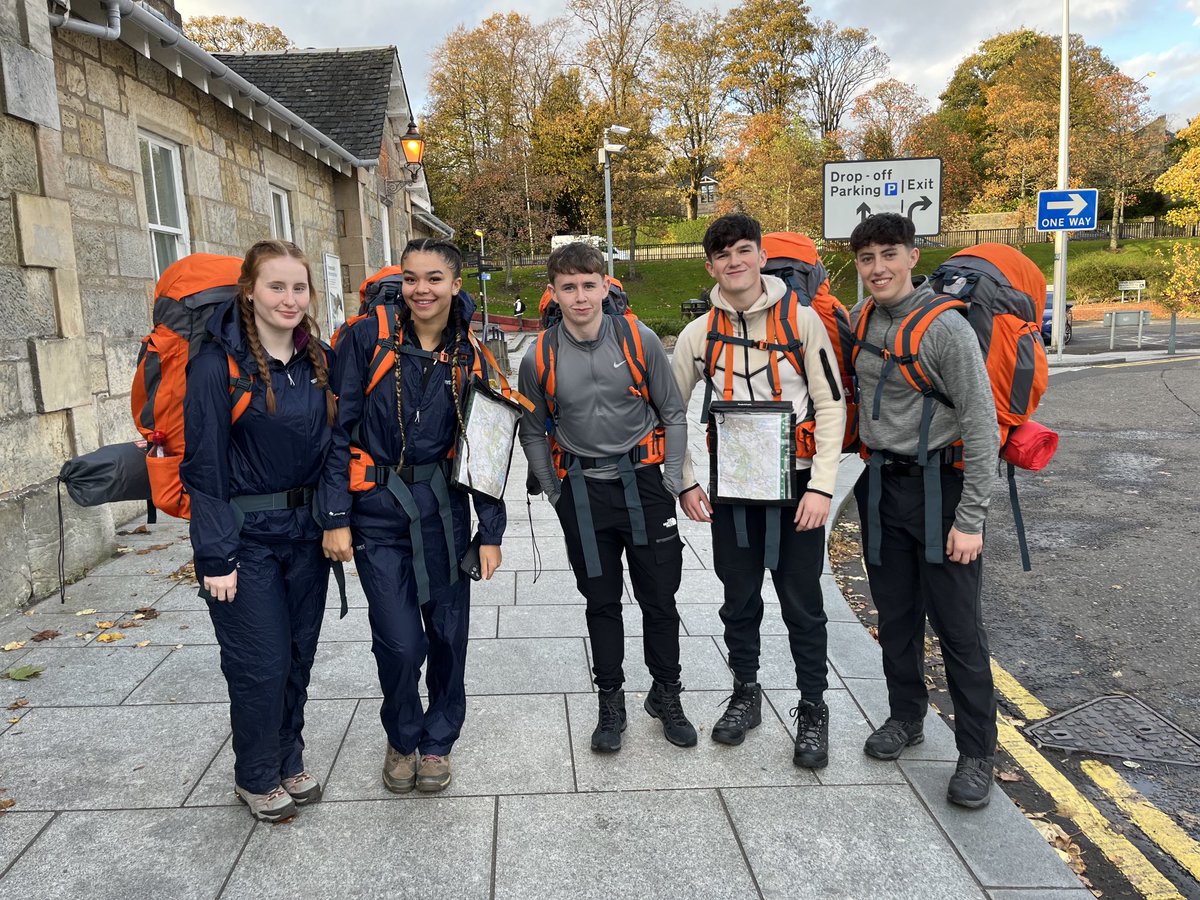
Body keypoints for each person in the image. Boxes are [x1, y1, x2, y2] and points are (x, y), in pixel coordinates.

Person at [322, 238, 505, 795]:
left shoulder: (472, 352)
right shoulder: (365, 340)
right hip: (377, 514)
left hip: (444, 514)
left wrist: (489, 531)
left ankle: (436, 742)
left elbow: (487, 446)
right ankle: (401, 735)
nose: (421, 289)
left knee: (449, 637)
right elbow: (336, 431)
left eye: (433, 278)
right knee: (400, 641)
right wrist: (335, 516)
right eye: (411, 278)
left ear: (454, 284)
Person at [672, 213, 846, 768]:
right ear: (711, 266)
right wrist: (684, 482)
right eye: (723, 255)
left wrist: (821, 486)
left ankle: (813, 709)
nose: (735, 262)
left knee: (803, 605)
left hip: (796, 486)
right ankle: (746, 695)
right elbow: (671, 412)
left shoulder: (801, 322)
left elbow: (830, 401)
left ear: (761, 255)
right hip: (732, 488)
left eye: (744, 250)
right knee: (738, 601)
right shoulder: (699, 335)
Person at [181, 239, 338, 822]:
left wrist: (334, 522)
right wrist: (215, 554)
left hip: (305, 537)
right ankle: (254, 773)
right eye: (277, 286)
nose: (289, 299)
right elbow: (204, 467)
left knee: (298, 654)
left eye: (299, 287)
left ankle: (286, 752)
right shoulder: (215, 366)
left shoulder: (318, 362)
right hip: (243, 540)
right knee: (259, 661)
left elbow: (333, 452)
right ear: (250, 289)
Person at [518, 242, 696, 752]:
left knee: (659, 599)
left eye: (588, 285)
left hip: (644, 485)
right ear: (553, 292)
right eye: (568, 287)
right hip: (582, 491)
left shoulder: (636, 338)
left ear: (605, 286)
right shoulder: (540, 355)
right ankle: (610, 700)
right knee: (601, 601)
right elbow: (532, 429)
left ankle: (666, 693)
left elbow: (673, 411)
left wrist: (671, 479)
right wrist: (553, 491)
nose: (580, 297)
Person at [849, 212, 999, 808]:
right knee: (897, 617)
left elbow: (982, 427)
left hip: (943, 490)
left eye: (890, 254)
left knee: (959, 629)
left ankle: (976, 753)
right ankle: (906, 717)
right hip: (882, 488)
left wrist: (971, 519)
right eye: (867, 259)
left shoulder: (947, 330)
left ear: (913, 256)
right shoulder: (862, 320)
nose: (878, 268)